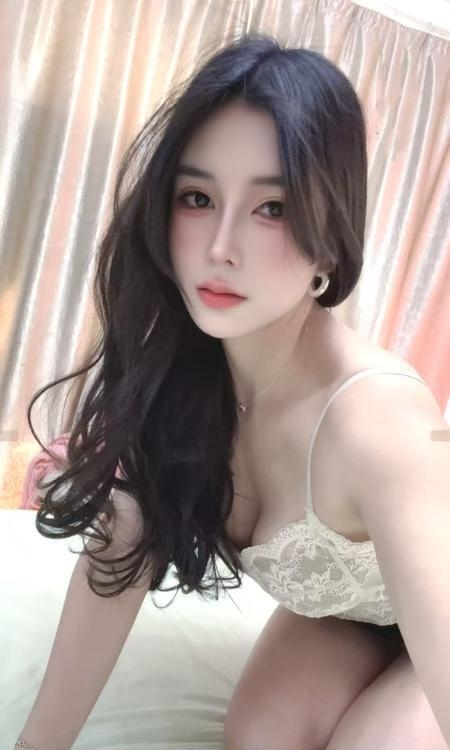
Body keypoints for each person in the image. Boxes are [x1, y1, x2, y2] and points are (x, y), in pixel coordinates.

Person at [16, 32, 442, 750]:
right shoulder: (178, 379)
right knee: (259, 736)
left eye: (273, 208)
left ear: (330, 239)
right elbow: (114, 562)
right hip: (355, 620)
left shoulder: (375, 422)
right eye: (197, 197)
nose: (220, 246)